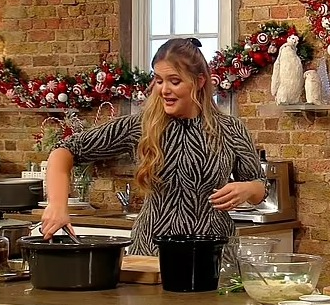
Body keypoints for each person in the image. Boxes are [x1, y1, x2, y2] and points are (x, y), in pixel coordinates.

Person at [40, 38, 267, 255]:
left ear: (199, 82)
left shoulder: (230, 129)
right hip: (151, 254)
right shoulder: (140, 126)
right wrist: (57, 205)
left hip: (213, 255)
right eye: (158, 80)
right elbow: (65, 151)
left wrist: (247, 188)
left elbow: (260, 188)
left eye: (174, 81)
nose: (164, 90)